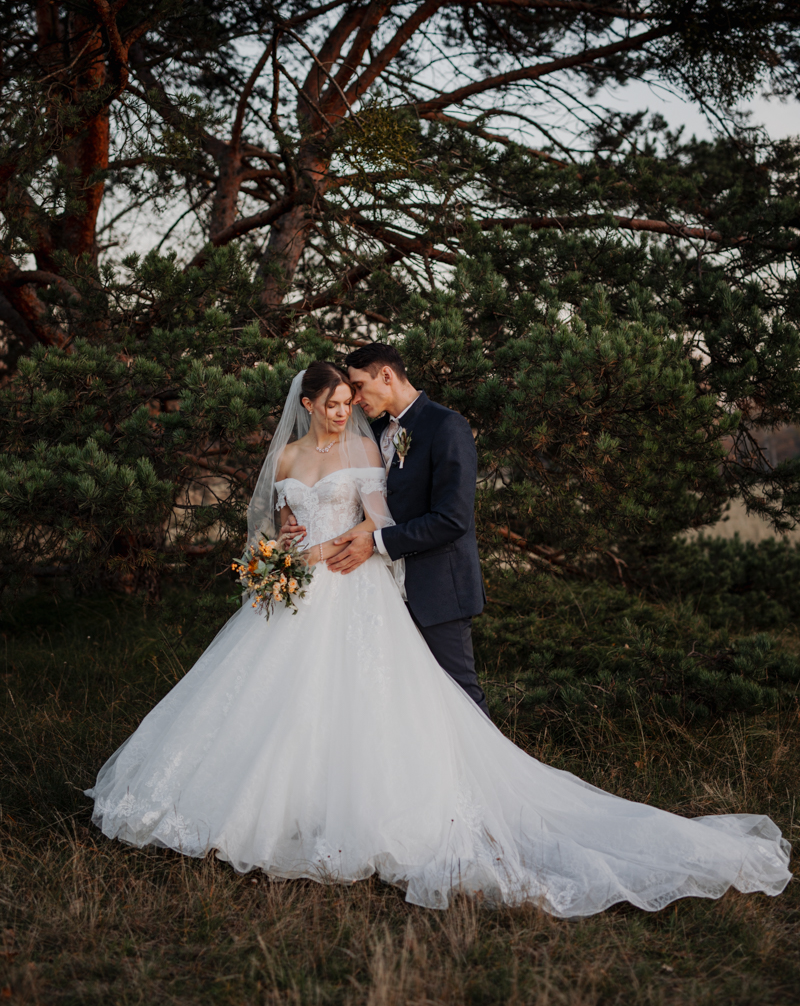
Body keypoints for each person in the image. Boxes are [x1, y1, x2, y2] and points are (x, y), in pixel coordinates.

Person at [86, 361, 791, 913]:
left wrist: (344, 543)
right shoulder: (288, 460)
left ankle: (425, 812)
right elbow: (273, 524)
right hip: (295, 591)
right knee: (272, 702)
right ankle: (265, 812)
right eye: (333, 403)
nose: (344, 411)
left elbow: (382, 519)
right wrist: (280, 548)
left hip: (352, 585)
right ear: (307, 404)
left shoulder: (367, 451)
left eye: (350, 400)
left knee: (367, 700)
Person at [281, 343, 488, 715]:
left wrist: (375, 540)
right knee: (398, 702)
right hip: (376, 591)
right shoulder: (372, 432)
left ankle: (485, 757)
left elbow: (452, 519)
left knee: (460, 698)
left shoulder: (446, 426)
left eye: (359, 387)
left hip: (435, 587)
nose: (355, 400)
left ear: (387, 376)